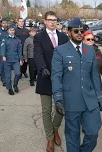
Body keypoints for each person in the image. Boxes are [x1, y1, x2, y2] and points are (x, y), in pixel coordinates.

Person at [52, 17, 102, 152]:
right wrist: (58, 98)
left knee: (93, 132)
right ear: (69, 32)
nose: (80, 33)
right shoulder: (60, 51)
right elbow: (56, 77)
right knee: (72, 136)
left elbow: (94, 76)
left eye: (82, 31)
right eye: (76, 31)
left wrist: (99, 97)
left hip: (89, 99)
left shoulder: (90, 51)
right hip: (71, 100)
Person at [33, 11, 69, 152]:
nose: (52, 22)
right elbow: (38, 54)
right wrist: (42, 68)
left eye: (55, 20)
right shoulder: (39, 37)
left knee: (60, 108)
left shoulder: (64, 37)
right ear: (45, 21)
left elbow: (68, 55)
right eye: (50, 20)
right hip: (45, 77)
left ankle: (55, 130)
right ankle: (49, 138)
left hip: (61, 79)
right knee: (46, 110)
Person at [1, 24, 23, 95]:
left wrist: (20, 59)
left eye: (13, 30)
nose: (12, 31)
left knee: (18, 74)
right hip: (7, 60)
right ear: (8, 31)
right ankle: (9, 88)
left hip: (15, 60)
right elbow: (3, 48)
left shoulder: (17, 40)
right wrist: (3, 55)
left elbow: (20, 51)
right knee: (8, 76)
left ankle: (15, 84)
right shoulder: (5, 39)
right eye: (10, 30)